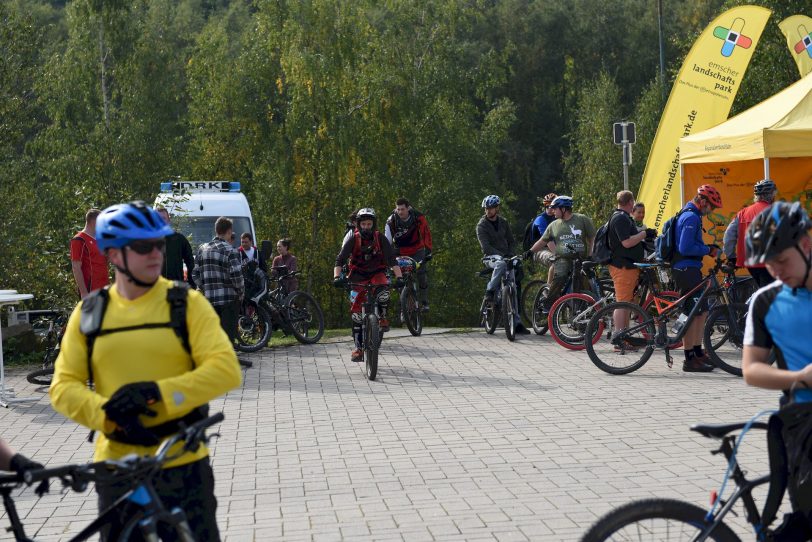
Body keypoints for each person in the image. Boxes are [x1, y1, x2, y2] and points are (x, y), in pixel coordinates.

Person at [50, 201, 241, 541]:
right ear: (113, 255)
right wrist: (107, 415)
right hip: (118, 468)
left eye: (159, 243)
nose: (156, 253)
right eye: (143, 246)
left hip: (182, 462)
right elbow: (63, 387)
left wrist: (157, 394)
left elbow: (226, 370)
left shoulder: (186, 303)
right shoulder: (91, 313)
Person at [741, 202, 812, 539]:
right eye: (769, 266)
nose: (777, 272)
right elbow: (752, 370)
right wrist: (798, 377)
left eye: (782, 261)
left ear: (807, 244)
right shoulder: (766, 302)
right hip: (804, 422)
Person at [333, 208, 403, 362]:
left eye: (369, 224)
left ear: (373, 224)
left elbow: (392, 259)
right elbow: (340, 259)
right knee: (357, 315)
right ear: (358, 224)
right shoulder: (353, 239)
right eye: (363, 224)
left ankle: (383, 317)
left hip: (377, 273)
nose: (366, 227)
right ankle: (358, 349)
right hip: (357, 276)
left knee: (384, 293)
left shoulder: (380, 238)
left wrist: (399, 277)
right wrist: (337, 277)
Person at [672, 184, 723, 372]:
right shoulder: (691, 217)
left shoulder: (691, 215)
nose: (711, 211)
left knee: (700, 312)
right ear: (702, 201)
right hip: (686, 269)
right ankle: (689, 358)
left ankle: (697, 351)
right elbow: (685, 248)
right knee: (691, 313)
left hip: (690, 268)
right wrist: (708, 250)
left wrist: (706, 248)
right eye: (711, 207)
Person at [529, 195, 596, 315]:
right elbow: (542, 241)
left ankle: (591, 311)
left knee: (588, 282)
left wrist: (590, 255)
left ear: (563, 209)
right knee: (560, 275)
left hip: (580, 258)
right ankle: (549, 303)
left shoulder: (582, 219)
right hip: (563, 258)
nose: (552, 210)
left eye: (555, 208)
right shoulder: (554, 225)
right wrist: (530, 252)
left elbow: (592, 238)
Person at [607, 191, 657, 350]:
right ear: (630, 202)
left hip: (627, 266)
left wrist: (645, 236)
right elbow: (626, 243)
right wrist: (644, 233)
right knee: (621, 303)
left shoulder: (623, 217)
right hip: (622, 266)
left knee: (626, 303)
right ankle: (619, 339)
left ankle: (624, 337)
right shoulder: (620, 218)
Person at [476, 195, 531, 334]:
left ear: (497, 208)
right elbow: (485, 247)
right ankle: (490, 291)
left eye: (490, 208)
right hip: (490, 257)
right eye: (486, 208)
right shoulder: (481, 226)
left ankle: (517, 323)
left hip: (506, 256)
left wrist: (511, 254)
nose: (488, 211)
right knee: (501, 264)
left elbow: (511, 241)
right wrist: (502, 255)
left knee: (513, 282)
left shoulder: (504, 222)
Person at [193, 217, 245, 346]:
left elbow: (195, 274)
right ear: (228, 232)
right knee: (227, 339)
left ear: (216, 230)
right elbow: (237, 276)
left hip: (209, 300)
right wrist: (241, 292)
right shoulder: (230, 250)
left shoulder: (202, 249)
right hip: (228, 300)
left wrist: (204, 288)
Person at [723, 178, 778, 288]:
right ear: (771, 195)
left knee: (764, 291)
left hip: (751, 263)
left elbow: (728, 236)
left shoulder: (743, 213)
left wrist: (731, 257)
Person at [384, 198, 433, 311]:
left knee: (422, 274)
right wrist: (387, 255)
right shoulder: (391, 220)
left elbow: (426, 233)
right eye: (398, 209)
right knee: (400, 278)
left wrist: (428, 250)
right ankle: (403, 308)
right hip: (400, 251)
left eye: (402, 209)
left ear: (408, 208)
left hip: (417, 250)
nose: (400, 212)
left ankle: (425, 303)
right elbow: (387, 240)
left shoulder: (418, 217)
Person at [70, 208, 109, 299]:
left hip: (104, 289)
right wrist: (84, 292)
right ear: (94, 221)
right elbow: (76, 267)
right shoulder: (79, 239)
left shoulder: (99, 240)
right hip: (91, 291)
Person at [155, 206, 196, 289]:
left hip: (175, 288)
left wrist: (191, 283)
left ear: (168, 220)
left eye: (163, 218)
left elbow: (190, 262)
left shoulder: (179, 239)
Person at [531, 193, 558, 280]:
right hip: (540, 249)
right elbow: (547, 239)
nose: (550, 209)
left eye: (552, 206)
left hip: (555, 247)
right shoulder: (540, 219)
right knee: (556, 262)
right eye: (547, 206)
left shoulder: (558, 218)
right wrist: (558, 253)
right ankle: (549, 292)